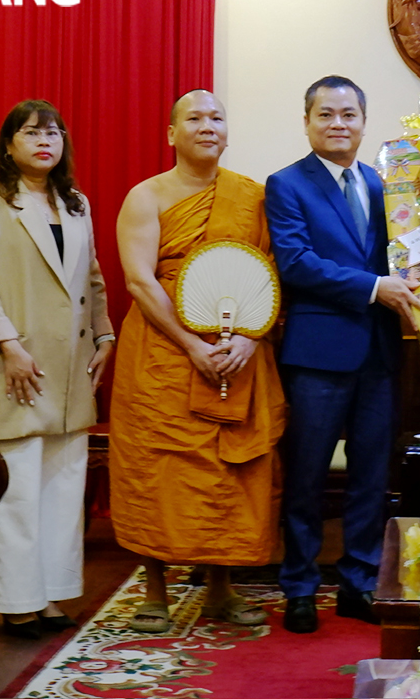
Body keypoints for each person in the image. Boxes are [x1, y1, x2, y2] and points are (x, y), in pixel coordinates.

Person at [110, 90, 285, 633]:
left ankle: (220, 589)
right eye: (194, 118)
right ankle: (155, 590)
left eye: (217, 118)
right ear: (171, 133)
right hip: (163, 352)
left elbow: (271, 274)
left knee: (228, 472)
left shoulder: (253, 197)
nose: (207, 126)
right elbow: (139, 279)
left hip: (236, 351)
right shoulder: (147, 197)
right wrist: (190, 344)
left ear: (227, 132)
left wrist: (252, 340)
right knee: (156, 469)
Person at [266, 76, 420, 634]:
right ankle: (301, 586)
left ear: (363, 122)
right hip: (317, 356)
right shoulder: (286, 185)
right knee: (307, 476)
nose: (339, 124)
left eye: (349, 115)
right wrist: (373, 287)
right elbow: (296, 263)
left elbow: (410, 255)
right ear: (307, 122)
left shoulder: (386, 187)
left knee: (370, 478)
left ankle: (359, 580)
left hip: (380, 354)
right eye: (327, 114)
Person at [0, 100, 115, 639]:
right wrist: (9, 345)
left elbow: (92, 279)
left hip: (71, 368)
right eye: (31, 132)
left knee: (62, 485)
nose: (45, 141)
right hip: (15, 367)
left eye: (54, 132)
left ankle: (49, 596)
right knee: (18, 488)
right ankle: (15, 602)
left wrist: (105, 334)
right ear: (9, 144)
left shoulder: (76, 204)